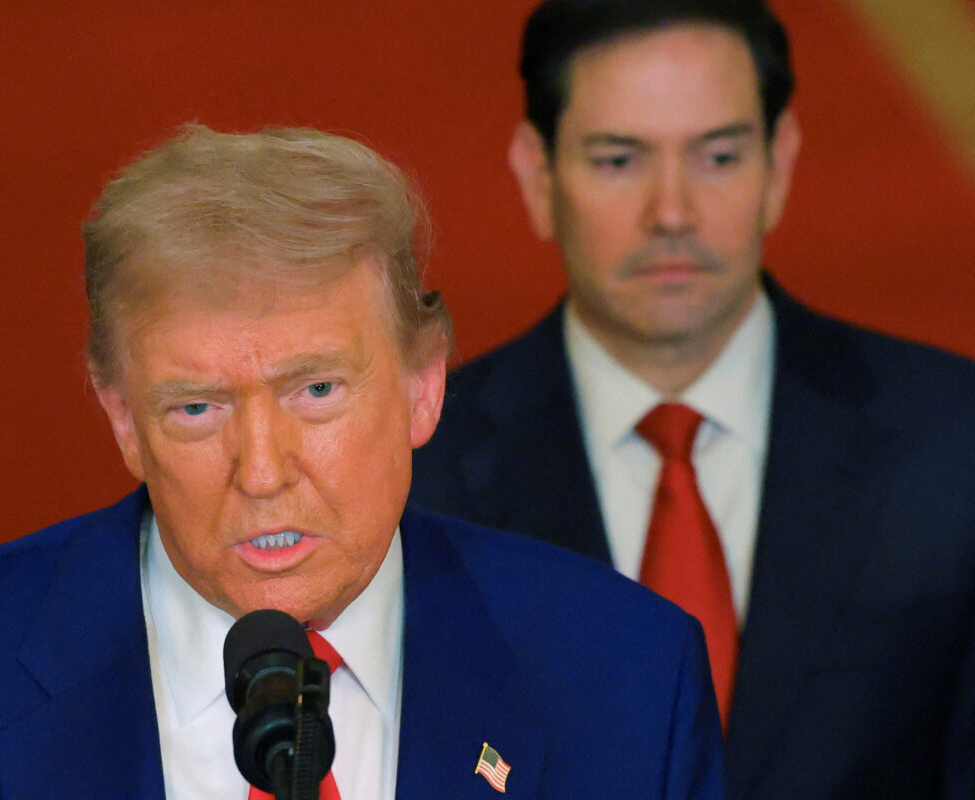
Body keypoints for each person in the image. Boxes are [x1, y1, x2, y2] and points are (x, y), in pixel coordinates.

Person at [0, 125, 724, 798]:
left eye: (317, 390)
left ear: (424, 385)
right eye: (196, 408)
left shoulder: (628, 682)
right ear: (122, 418)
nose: (262, 472)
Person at [410, 1, 975, 798]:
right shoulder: (418, 464)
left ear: (779, 164)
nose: (671, 213)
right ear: (538, 176)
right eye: (619, 160)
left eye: (718, 157)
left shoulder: (953, 444)